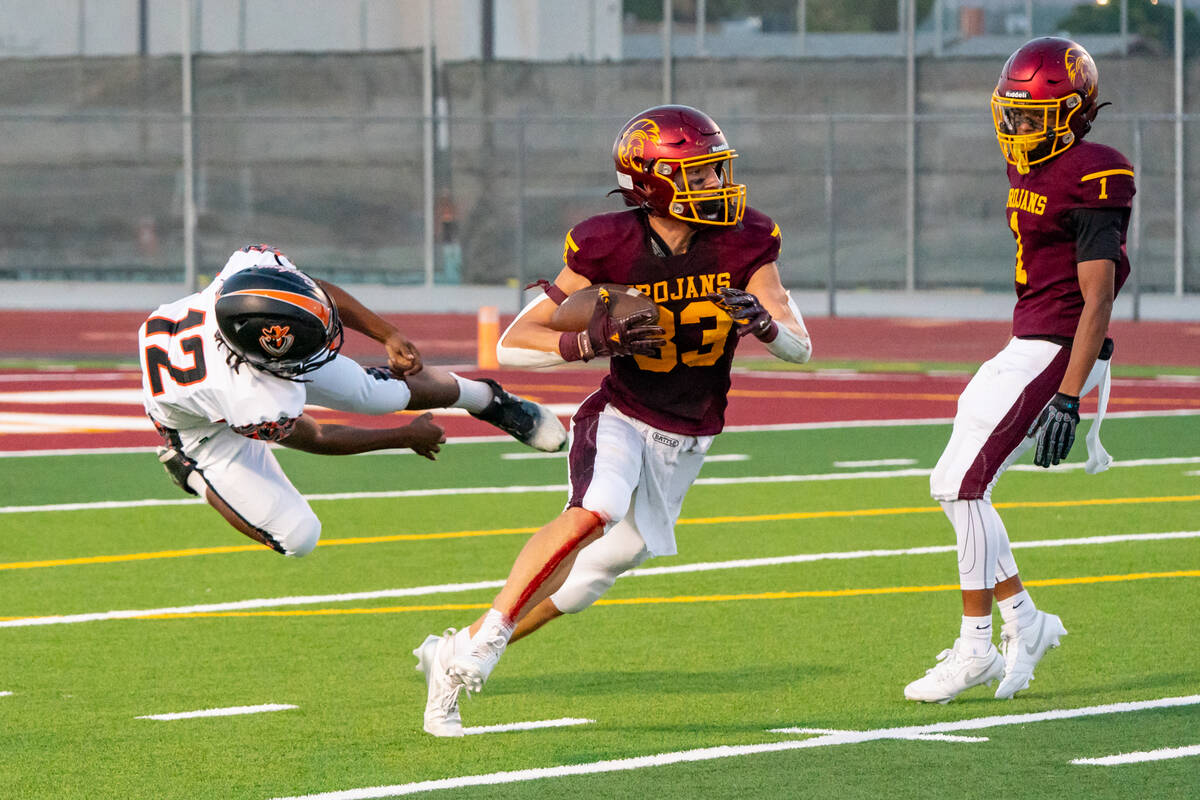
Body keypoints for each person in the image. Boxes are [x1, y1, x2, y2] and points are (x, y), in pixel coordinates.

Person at [414, 105, 814, 736]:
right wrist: (591, 341)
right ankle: (484, 643)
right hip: (623, 412)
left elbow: (801, 347)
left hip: (691, 433)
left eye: (718, 171)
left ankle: (454, 650)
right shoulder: (609, 243)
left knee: (600, 570)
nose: (719, 186)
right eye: (703, 174)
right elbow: (516, 343)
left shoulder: (746, 238)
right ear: (654, 182)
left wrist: (763, 325)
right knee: (596, 509)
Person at [904, 37, 1134, 704]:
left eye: (1033, 117)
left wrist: (1068, 397)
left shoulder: (1094, 172)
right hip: (1026, 341)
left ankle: (976, 647)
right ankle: (1025, 623)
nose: (1018, 129)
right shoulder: (1031, 169)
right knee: (952, 485)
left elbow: (1099, 298)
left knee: (963, 488)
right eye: (1012, 114)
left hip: (1059, 347)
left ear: (1073, 114)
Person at [138, 244, 566, 556]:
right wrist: (402, 437)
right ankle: (189, 473)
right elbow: (319, 436)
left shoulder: (248, 277)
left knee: (378, 394)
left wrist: (387, 333)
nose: (325, 349)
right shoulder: (253, 398)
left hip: (242, 369)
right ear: (265, 358)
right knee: (298, 537)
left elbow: (312, 291)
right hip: (201, 432)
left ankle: (488, 400)